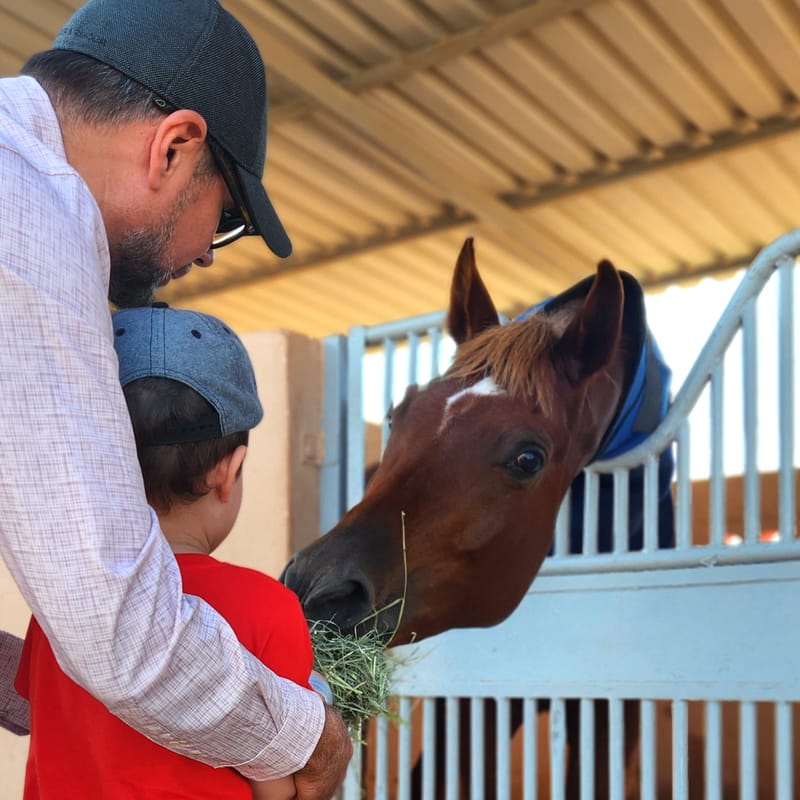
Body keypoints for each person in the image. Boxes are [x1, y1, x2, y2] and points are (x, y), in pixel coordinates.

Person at [0, 0, 351, 794]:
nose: (206, 258)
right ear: (174, 148)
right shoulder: (25, 218)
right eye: (224, 218)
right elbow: (118, 632)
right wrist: (307, 742)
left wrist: (40, 681)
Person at [17, 304, 333, 799]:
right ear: (228, 472)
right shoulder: (266, 607)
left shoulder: (61, 611)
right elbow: (279, 789)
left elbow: (51, 728)